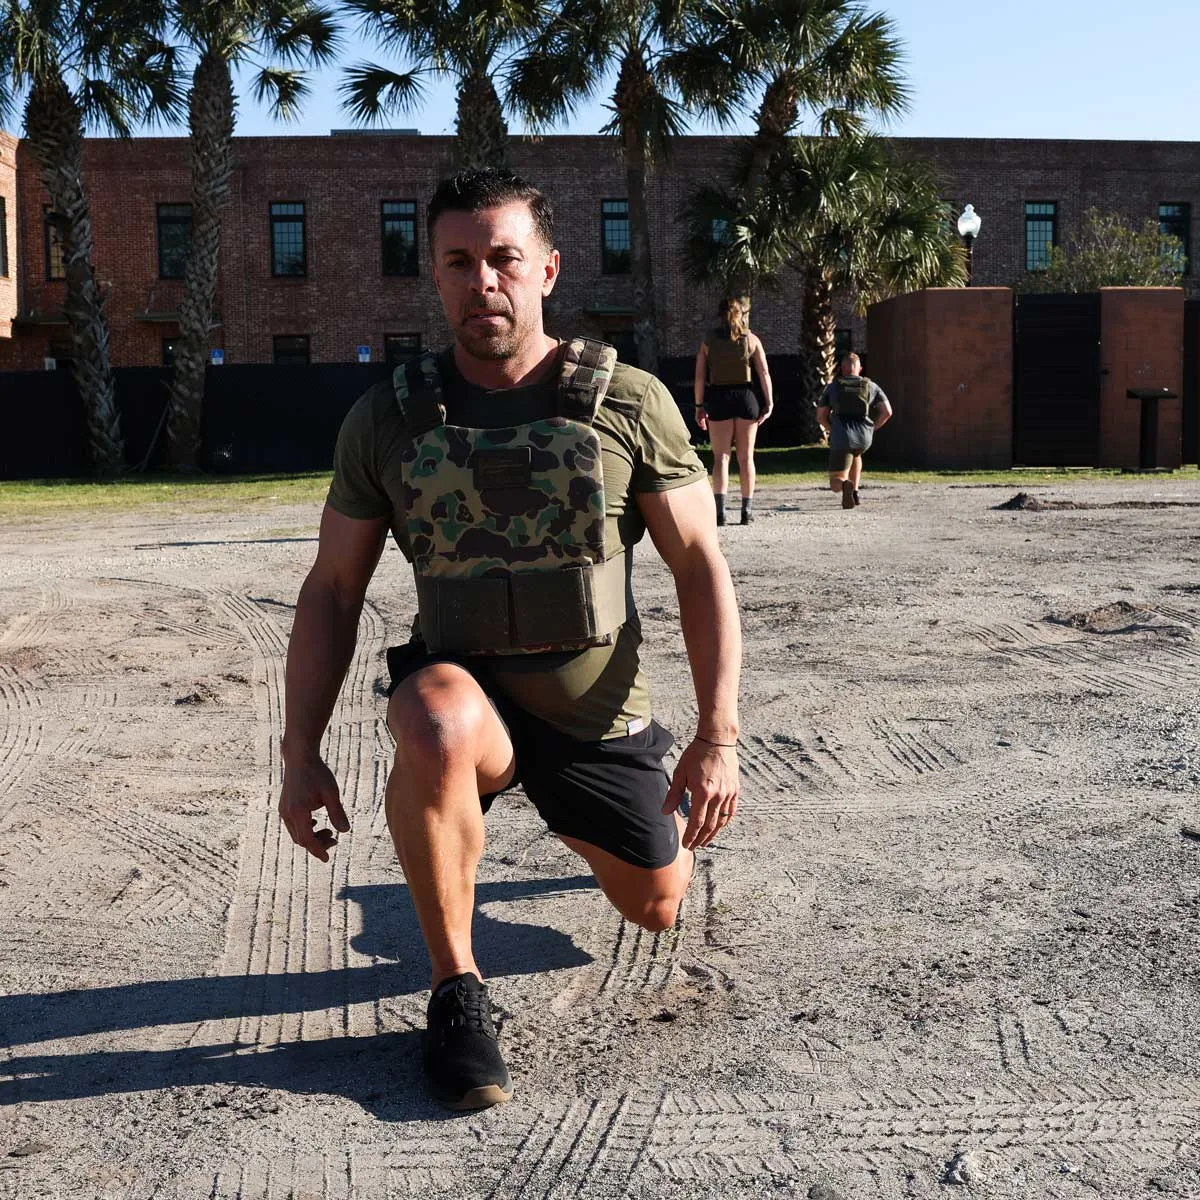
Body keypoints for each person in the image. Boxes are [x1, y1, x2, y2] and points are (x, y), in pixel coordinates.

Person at [278, 168, 742, 1112]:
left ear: (546, 270)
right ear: (437, 277)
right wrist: (300, 751)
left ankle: (554, 812)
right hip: (466, 697)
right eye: (459, 261)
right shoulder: (390, 417)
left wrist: (717, 735)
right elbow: (332, 588)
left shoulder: (630, 403)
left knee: (656, 906)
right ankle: (457, 992)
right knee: (439, 725)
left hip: (595, 712)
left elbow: (701, 568)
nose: (482, 279)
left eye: (503, 258)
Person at [693, 296, 773, 525]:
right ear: (742, 314)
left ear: (720, 314)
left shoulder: (708, 341)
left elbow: (700, 377)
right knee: (746, 457)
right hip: (746, 398)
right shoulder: (752, 339)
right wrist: (769, 403)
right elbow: (764, 374)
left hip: (719, 397)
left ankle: (720, 513)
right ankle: (746, 512)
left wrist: (699, 406)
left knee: (721, 457)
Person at [816, 352, 893, 509]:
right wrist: (872, 427)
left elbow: (820, 416)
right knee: (856, 453)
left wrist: (832, 429)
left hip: (842, 436)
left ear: (842, 368)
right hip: (864, 437)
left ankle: (845, 486)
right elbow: (887, 412)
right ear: (860, 368)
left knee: (835, 481)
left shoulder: (833, 387)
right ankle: (855, 493)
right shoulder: (871, 385)